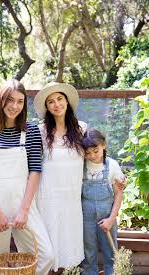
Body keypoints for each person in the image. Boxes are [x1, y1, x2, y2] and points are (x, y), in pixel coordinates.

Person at [0, 79, 54, 275]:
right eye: (10, 100)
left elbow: (35, 170)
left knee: (45, 256)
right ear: (1, 100)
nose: (15, 106)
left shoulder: (32, 131)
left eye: (20, 101)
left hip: (24, 206)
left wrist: (24, 211)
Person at [34, 81, 87, 274]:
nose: (56, 104)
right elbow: (28, 161)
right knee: (49, 243)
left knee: (69, 243)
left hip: (72, 196)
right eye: (51, 102)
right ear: (47, 107)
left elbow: (95, 156)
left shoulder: (82, 128)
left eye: (59, 99)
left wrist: (113, 173)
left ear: (67, 101)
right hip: (47, 195)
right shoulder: (40, 131)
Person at [81, 128, 126, 275]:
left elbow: (119, 194)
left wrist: (111, 219)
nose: (92, 155)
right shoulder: (81, 166)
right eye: (87, 152)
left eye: (95, 150)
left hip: (107, 216)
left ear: (104, 145)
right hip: (85, 218)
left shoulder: (111, 165)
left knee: (110, 251)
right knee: (88, 252)